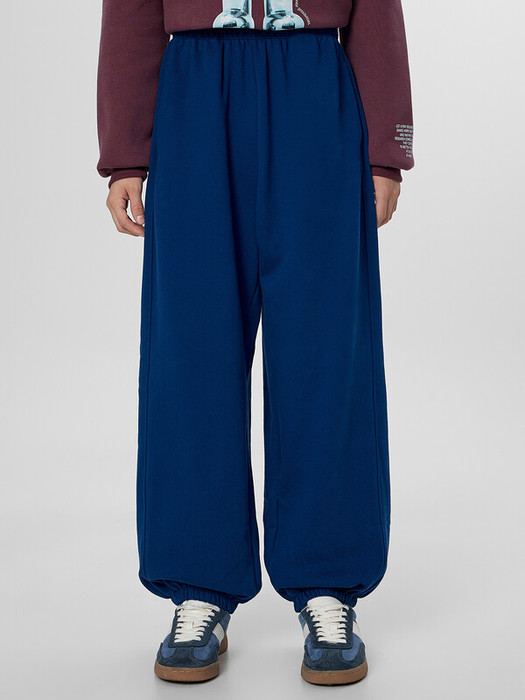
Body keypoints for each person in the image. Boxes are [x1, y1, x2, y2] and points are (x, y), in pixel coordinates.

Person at [96, 0, 414, 686]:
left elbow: (377, 11)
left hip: (317, 84)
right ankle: (199, 585)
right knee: (192, 351)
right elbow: (130, 12)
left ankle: (327, 585)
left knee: (327, 352)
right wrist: (125, 152)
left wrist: (386, 152)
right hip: (194, 92)